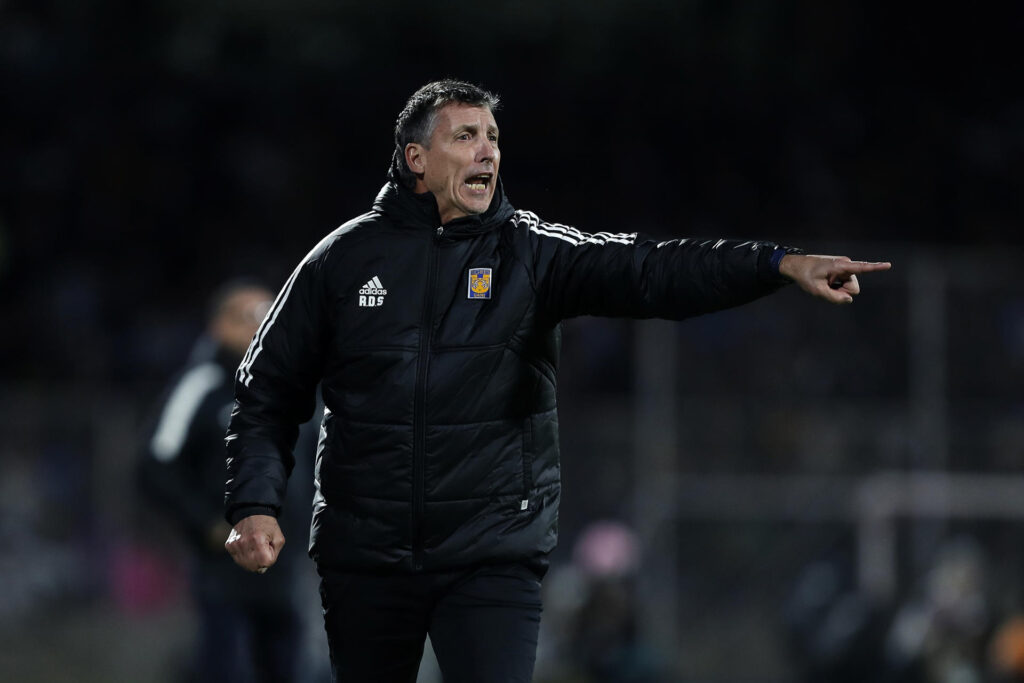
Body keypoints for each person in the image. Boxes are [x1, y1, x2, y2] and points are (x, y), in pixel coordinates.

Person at [222, 79, 891, 682]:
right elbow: (267, 388)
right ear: (416, 160)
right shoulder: (341, 260)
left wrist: (777, 264)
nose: (487, 151)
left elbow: (652, 270)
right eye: (465, 136)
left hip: (489, 555)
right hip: (365, 554)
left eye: (493, 137)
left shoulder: (532, 255)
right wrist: (253, 502)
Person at [139, 279, 321, 683]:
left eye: (270, 316)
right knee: (225, 669)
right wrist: (206, 525)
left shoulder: (300, 389)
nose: (262, 326)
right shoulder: (201, 385)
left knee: (289, 669)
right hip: (225, 571)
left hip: (287, 569)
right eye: (250, 317)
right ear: (219, 326)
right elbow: (154, 467)